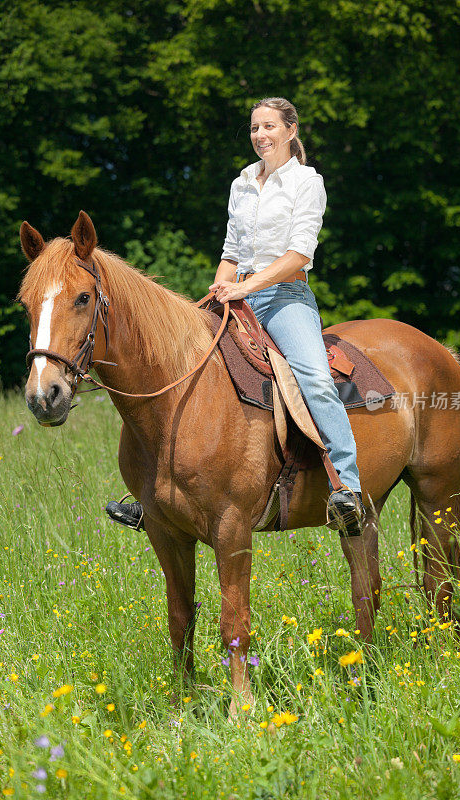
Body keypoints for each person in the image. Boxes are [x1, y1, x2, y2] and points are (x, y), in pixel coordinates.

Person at [106, 96, 364, 536]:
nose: (260, 135)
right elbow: (230, 253)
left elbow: (299, 254)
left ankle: (349, 488)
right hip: (236, 296)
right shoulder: (241, 183)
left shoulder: (307, 183)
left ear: (291, 131)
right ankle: (158, 497)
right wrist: (218, 289)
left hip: (286, 298)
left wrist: (247, 285)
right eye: (253, 128)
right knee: (181, 368)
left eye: (269, 127)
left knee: (315, 378)